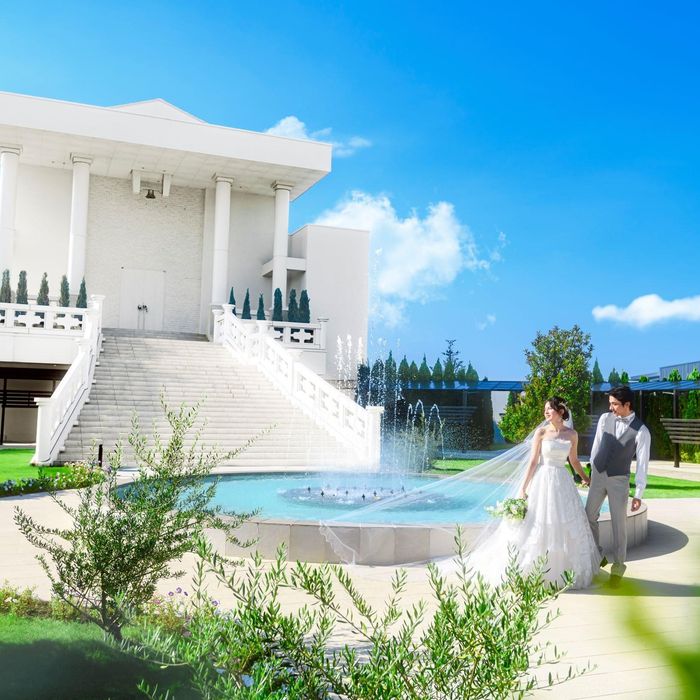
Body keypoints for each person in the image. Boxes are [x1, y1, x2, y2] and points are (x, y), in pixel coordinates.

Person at [467, 397, 601, 589]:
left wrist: (586, 478)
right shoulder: (541, 432)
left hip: (563, 481)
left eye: (549, 409)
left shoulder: (572, 434)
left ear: (561, 412)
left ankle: (563, 571)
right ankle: (533, 569)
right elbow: (533, 461)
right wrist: (523, 488)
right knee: (538, 521)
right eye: (545, 409)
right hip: (543, 480)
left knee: (563, 523)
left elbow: (573, 460)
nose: (546, 412)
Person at [586, 385, 650, 588]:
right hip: (598, 474)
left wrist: (638, 493)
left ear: (627, 404)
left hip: (619, 480)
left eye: (614, 404)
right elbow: (597, 445)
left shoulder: (642, 431)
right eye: (610, 403)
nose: (611, 407)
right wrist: (591, 470)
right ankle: (597, 555)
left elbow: (642, 464)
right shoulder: (605, 419)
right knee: (588, 516)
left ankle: (618, 568)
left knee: (619, 525)